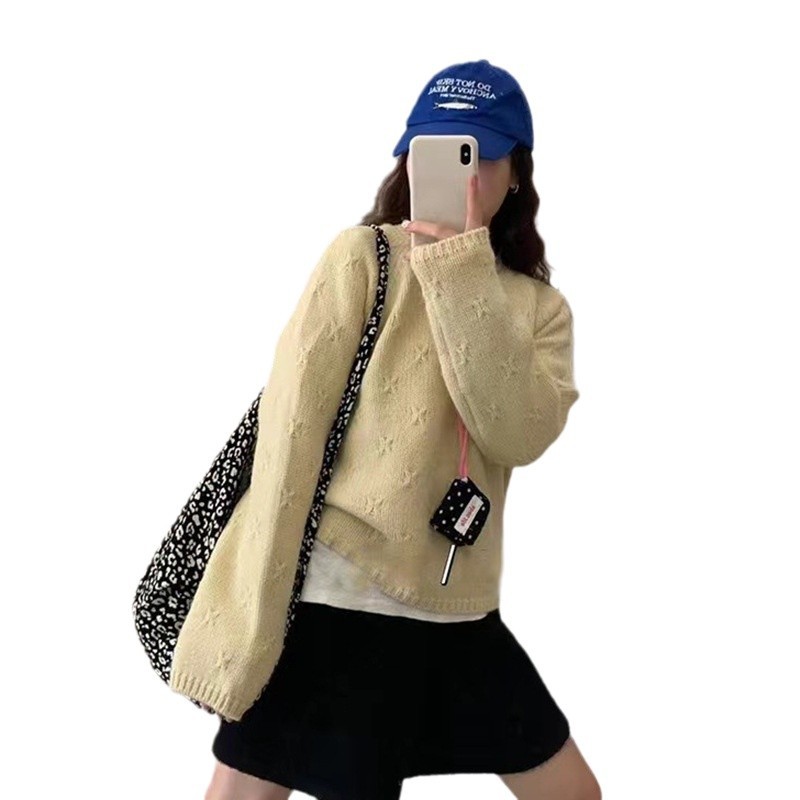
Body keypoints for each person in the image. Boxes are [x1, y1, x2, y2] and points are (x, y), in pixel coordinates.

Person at [200, 59, 601, 800]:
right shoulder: (360, 260)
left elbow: (517, 435)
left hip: (458, 605)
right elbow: (289, 436)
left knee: (573, 792)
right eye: (438, 152)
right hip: (338, 594)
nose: (462, 174)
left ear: (516, 173)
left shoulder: (539, 310)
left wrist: (458, 267)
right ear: (408, 161)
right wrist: (256, 608)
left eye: (477, 154)